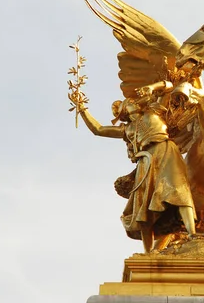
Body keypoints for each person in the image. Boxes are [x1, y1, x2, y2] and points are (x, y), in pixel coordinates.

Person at [73, 94, 197, 253]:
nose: (134, 102)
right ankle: (148, 252)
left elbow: (166, 88)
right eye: (129, 102)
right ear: (125, 111)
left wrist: (153, 87)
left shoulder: (153, 111)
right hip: (146, 160)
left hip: (166, 151)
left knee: (179, 190)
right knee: (143, 207)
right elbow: (98, 130)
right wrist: (82, 109)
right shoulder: (127, 129)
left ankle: (193, 234)